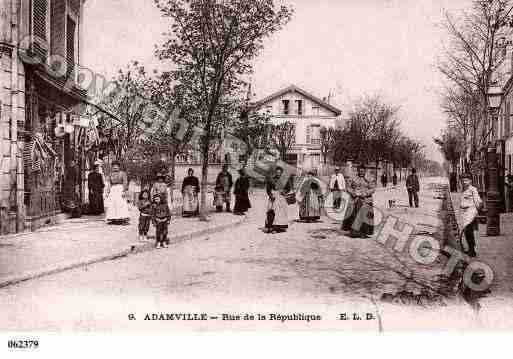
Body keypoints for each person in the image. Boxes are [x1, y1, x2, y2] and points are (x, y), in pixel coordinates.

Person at [343, 165, 376, 238]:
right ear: (357, 171)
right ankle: (354, 232)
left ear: (365, 171)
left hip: (365, 200)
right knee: (354, 216)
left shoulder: (370, 178)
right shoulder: (353, 178)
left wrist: (365, 193)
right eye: (360, 171)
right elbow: (348, 187)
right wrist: (353, 193)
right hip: (355, 200)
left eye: (362, 171)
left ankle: (363, 232)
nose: (361, 172)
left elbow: (373, 189)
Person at [459, 173, 483, 258]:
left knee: (469, 232)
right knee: (467, 232)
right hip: (464, 213)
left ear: (470, 181)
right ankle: (470, 249)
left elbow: (478, 201)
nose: (464, 182)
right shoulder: (463, 189)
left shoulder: (473, 189)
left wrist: (476, 211)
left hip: (470, 213)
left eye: (466, 180)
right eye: (463, 180)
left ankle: (472, 251)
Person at [264, 166, 291, 233]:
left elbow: (288, 188)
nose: (278, 173)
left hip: (281, 197)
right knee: (272, 211)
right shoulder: (272, 180)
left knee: (281, 213)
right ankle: (271, 226)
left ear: (281, 173)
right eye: (277, 172)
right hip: (274, 197)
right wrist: (270, 195)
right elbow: (268, 189)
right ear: (275, 172)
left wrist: (284, 191)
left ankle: (280, 227)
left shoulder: (285, 180)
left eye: (280, 172)